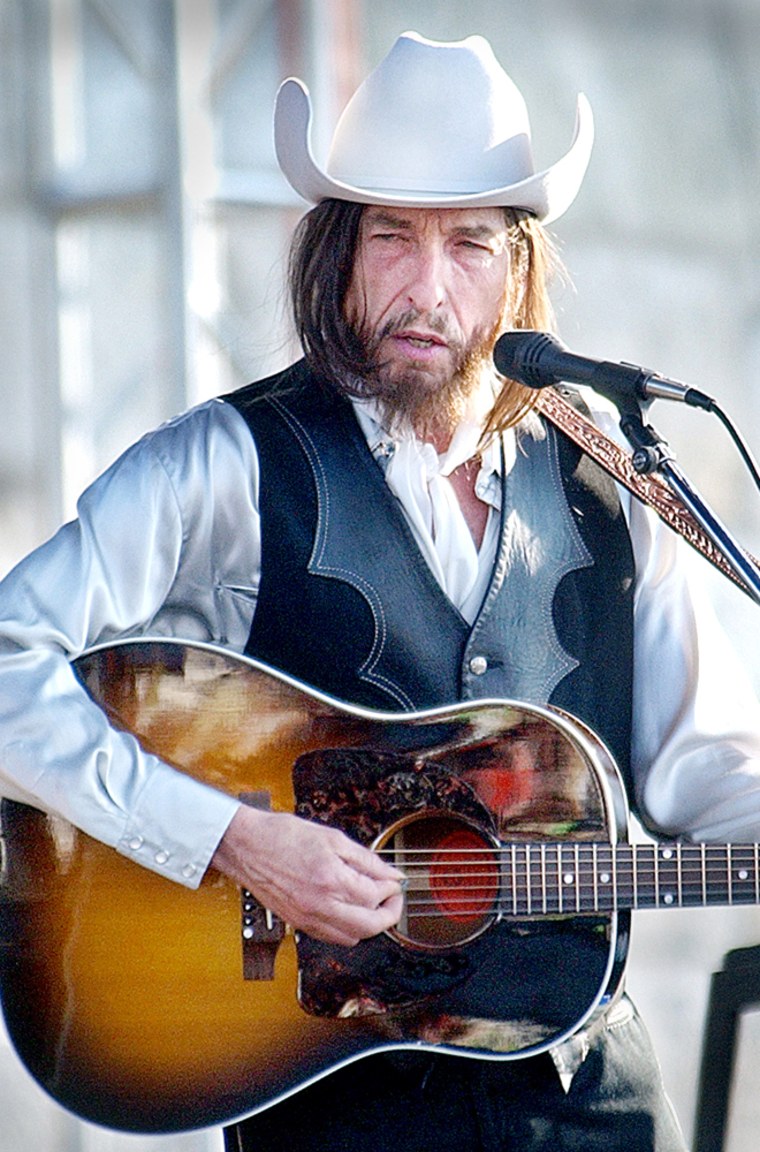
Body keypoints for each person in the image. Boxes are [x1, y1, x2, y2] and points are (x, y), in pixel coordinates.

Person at [0, 28, 759, 1152]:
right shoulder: (225, 463)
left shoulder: (606, 470)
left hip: (579, 1092)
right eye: (391, 238)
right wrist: (226, 839)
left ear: (517, 271)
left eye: (468, 245)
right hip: (325, 1101)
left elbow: (706, 770)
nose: (425, 287)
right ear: (338, 257)